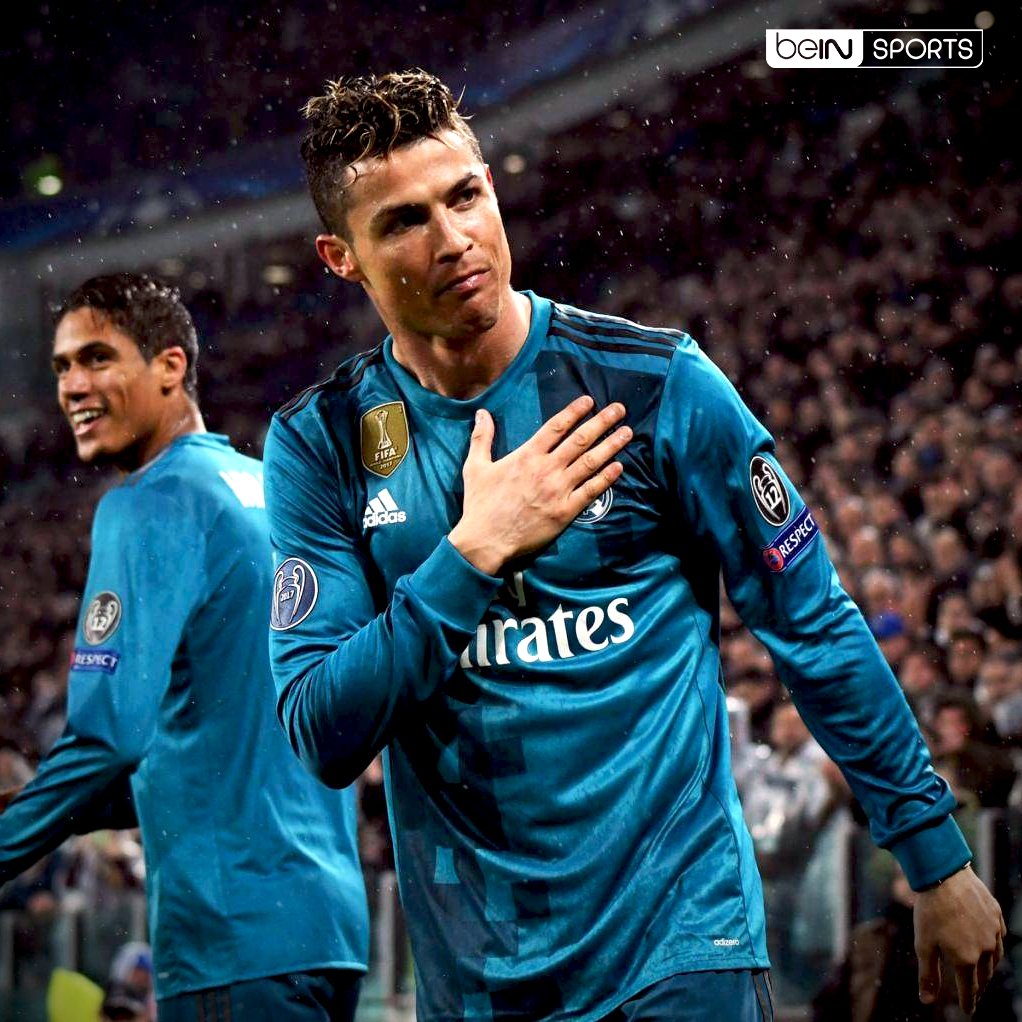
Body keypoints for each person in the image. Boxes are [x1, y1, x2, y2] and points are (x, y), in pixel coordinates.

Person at [263, 70, 1005, 1020]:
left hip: (681, 946)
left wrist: (934, 855)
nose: (453, 239)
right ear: (341, 258)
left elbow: (813, 624)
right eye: (404, 221)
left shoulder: (655, 386)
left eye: (466, 196)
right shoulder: (322, 441)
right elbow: (321, 730)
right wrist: (473, 555)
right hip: (479, 979)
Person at [0, 274, 368, 1020]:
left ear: (170, 365)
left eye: (98, 358)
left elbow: (108, 739)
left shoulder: (151, 502)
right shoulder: (271, 491)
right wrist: (40, 806)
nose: (73, 386)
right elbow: (229, 751)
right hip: (326, 930)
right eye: (62, 366)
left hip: (229, 934)